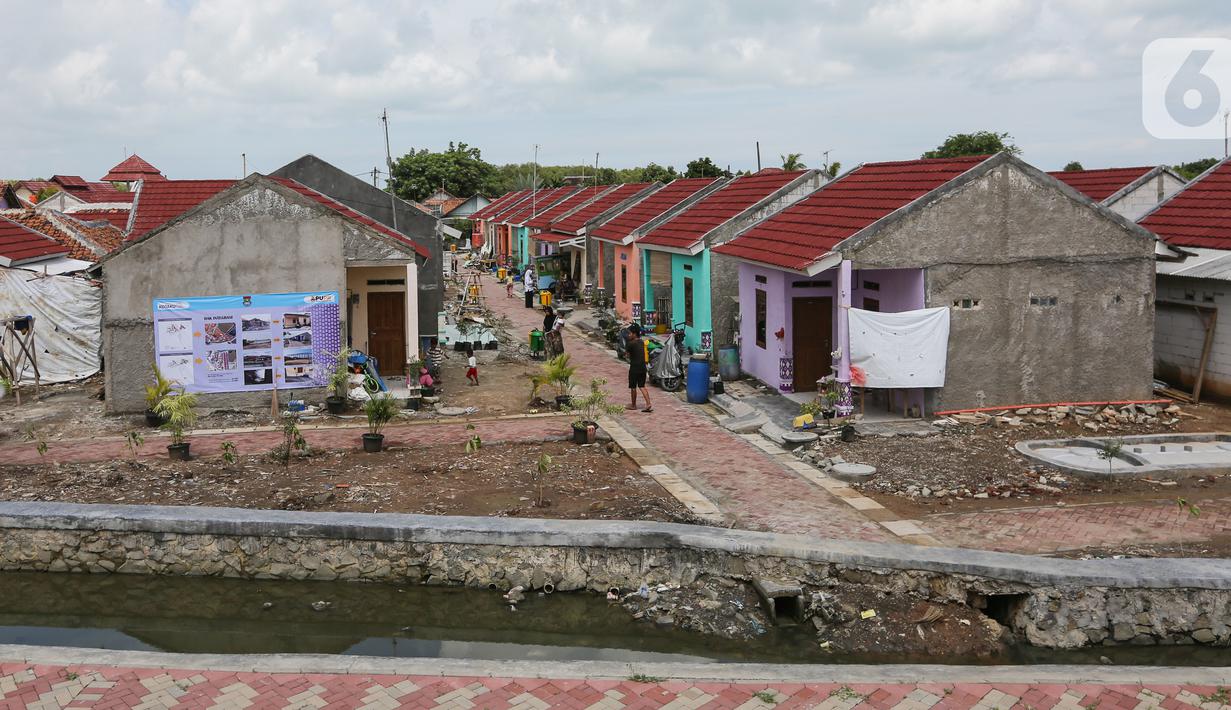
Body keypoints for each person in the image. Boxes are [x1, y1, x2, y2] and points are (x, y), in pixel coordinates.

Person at [625, 323, 652, 412]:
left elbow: (627, 355)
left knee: (633, 387)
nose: (629, 335)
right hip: (642, 368)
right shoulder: (641, 342)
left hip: (634, 368)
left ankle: (633, 405)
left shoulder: (631, 344)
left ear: (634, 334)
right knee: (642, 386)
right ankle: (648, 403)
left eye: (630, 333)